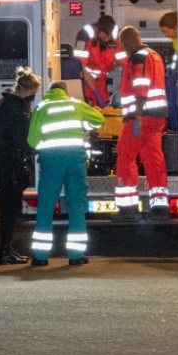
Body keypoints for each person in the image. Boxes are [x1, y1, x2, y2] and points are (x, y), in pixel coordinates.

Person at [27, 81, 105, 266]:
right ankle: (76, 256)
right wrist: (83, 124)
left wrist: (45, 148)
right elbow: (99, 120)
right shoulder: (76, 104)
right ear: (65, 91)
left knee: (45, 207)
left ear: (50, 92)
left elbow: (32, 141)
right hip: (75, 160)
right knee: (76, 206)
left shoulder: (41, 108)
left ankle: (40, 257)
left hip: (52, 162)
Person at [114, 26, 169, 216]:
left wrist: (136, 117)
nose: (123, 48)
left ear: (128, 41)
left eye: (122, 44)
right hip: (158, 117)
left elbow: (141, 87)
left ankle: (127, 204)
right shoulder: (154, 55)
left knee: (125, 153)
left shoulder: (138, 57)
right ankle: (159, 202)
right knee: (152, 157)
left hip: (142, 116)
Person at [0, 66, 40, 265]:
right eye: (33, 94)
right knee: (10, 210)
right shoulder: (16, 109)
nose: (33, 98)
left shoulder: (4, 103)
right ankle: (5, 252)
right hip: (12, 162)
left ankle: (7, 250)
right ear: (26, 90)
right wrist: (35, 150)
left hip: (4, 159)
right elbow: (21, 139)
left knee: (9, 209)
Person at [74, 14, 122, 108]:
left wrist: (121, 89)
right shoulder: (84, 36)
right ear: (97, 30)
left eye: (109, 36)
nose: (106, 39)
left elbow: (125, 65)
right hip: (87, 85)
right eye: (104, 37)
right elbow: (81, 67)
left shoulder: (118, 37)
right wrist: (96, 94)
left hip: (103, 85)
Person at [158, 12, 178, 132]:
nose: (167, 35)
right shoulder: (176, 38)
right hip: (177, 71)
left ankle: (174, 126)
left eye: (167, 31)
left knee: (172, 96)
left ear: (176, 28)